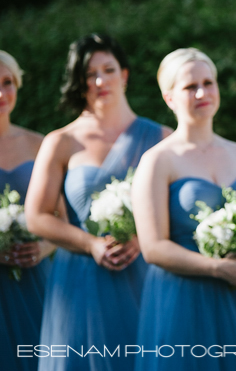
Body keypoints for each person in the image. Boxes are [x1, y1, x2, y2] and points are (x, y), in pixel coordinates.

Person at [131, 47, 236, 371]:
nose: (202, 92)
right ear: (169, 97)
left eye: (208, 82)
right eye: (190, 87)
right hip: (183, 299)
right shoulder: (158, 160)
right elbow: (153, 247)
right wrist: (216, 268)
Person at [25, 34, 169, 371]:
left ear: (125, 74)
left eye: (109, 69)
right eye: (91, 75)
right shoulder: (61, 141)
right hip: (79, 282)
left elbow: (175, 212)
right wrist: (90, 244)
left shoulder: (161, 138)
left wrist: (139, 240)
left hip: (145, 274)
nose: (101, 81)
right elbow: (37, 217)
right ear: (80, 82)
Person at [0, 51, 54, 371]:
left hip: (34, 278)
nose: (1, 94)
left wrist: (44, 247)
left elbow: (62, 215)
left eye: (7, 83)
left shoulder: (39, 145)